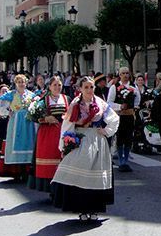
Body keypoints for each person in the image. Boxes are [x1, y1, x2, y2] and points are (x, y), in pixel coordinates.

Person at [51, 76, 120, 220]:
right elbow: (67, 124)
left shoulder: (100, 103)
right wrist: (65, 144)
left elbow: (114, 118)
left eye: (91, 87)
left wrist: (106, 131)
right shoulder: (75, 104)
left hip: (96, 139)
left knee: (95, 173)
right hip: (81, 139)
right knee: (79, 173)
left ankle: (94, 209)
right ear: (80, 89)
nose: (89, 90)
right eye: (86, 87)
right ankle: (81, 209)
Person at [29, 76, 70, 193]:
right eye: (55, 85)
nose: (57, 87)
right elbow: (34, 116)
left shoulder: (67, 99)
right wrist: (46, 118)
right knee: (50, 158)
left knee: (62, 159)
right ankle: (50, 187)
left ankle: (62, 186)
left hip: (64, 132)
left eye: (59, 85)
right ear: (50, 87)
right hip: (48, 134)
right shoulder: (44, 100)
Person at [0, 74, 37, 180]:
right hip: (16, 122)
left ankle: (26, 171)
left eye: (23, 82)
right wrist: (6, 112)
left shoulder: (31, 95)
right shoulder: (11, 94)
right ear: (16, 83)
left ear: (26, 83)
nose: (21, 84)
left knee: (28, 143)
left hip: (28, 122)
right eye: (19, 82)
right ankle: (16, 171)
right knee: (15, 143)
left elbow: (38, 104)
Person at [107, 67, 141, 172]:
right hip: (120, 116)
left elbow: (138, 100)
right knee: (120, 138)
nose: (125, 75)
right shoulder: (114, 87)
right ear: (120, 75)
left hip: (130, 116)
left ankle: (126, 160)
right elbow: (109, 103)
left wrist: (134, 107)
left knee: (128, 139)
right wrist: (119, 106)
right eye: (123, 73)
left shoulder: (134, 87)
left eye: (127, 73)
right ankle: (121, 160)